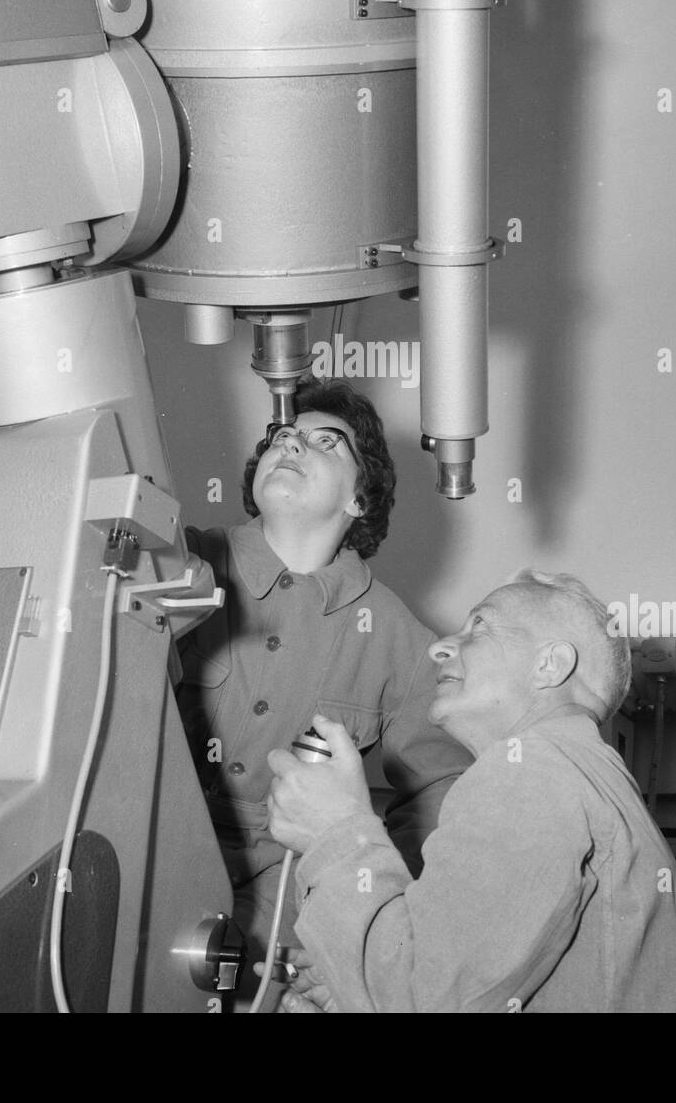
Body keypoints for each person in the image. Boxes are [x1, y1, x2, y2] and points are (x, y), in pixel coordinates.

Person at [266, 570, 676, 1013]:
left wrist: (336, 831)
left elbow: (421, 997)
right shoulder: (587, 774)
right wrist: (355, 990)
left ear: (550, 665)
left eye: (479, 625)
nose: (440, 647)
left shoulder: (534, 768)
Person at [175, 377, 469, 1005]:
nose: (292, 445)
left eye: (324, 442)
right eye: (284, 436)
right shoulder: (183, 559)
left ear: (360, 500)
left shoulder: (398, 638)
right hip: (151, 851)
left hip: (281, 906)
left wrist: (353, 920)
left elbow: (440, 799)